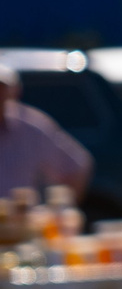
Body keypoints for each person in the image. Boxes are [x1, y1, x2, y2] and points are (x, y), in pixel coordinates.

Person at [0, 64, 92, 198]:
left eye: (1, 88)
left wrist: (60, 209)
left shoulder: (30, 126)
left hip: (19, 216)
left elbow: (77, 166)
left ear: (13, 91)